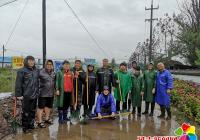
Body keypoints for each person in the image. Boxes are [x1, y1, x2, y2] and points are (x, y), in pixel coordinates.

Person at [15, 56, 39, 133]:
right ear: (26, 61)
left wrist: (37, 92)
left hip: (34, 95)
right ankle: (25, 128)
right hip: (26, 96)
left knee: (32, 111)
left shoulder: (36, 70)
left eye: (33, 61)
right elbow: (18, 83)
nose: (32, 62)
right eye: (30, 61)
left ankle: (31, 125)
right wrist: (18, 94)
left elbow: (37, 82)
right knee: (26, 112)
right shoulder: (21, 71)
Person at [37, 60, 56, 128]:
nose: (49, 65)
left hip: (51, 93)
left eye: (50, 64)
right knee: (41, 108)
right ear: (45, 65)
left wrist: (56, 90)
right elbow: (35, 81)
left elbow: (55, 83)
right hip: (42, 93)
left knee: (48, 107)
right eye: (48, 64)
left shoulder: (54, 73)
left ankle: (47, 119)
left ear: (52, 65)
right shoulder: (40, 72)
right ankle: (39, 121)